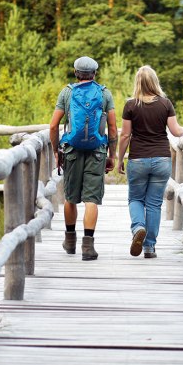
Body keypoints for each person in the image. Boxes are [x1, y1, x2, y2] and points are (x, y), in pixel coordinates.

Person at [117, 65, 183, 258]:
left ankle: (138, 227)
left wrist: (119, 159)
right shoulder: (165, 103)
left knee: (135, 199)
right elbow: (176, 131)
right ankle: (150, 247)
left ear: (138, 83)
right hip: (161, 160)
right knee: (153, 204)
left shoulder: (130, 105)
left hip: (138, 160)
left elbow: (125, 135)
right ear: (155, 81)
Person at [49, 56, 117, 261]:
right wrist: (112, 155)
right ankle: (88, 247)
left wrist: (55, 150)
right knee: (91, 199)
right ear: (95, 73)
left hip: (71, 150)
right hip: (97, 151)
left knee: (70, 197)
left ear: (76, 73)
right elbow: (113, 127)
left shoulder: (67, 92)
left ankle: (70, 242)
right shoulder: (105, 93)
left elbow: (53, 126)